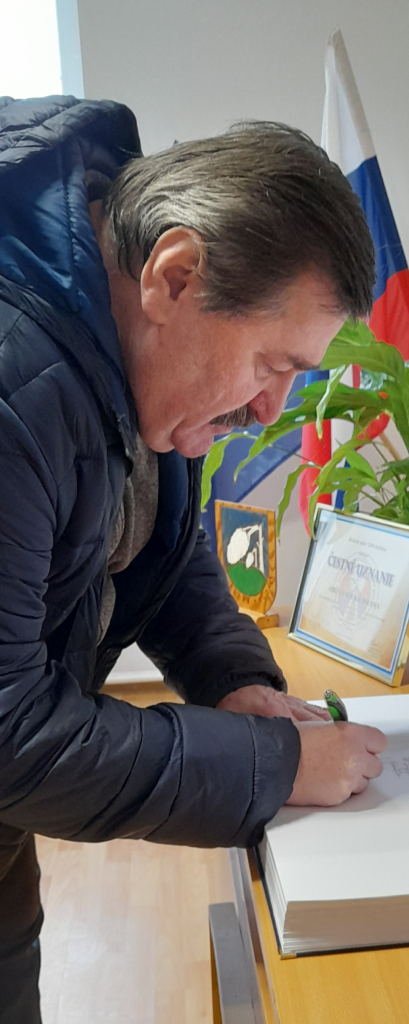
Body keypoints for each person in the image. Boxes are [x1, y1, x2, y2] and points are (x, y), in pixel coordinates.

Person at [0, 96, 387, 1023]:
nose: (271, 410)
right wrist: (271, 765)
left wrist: (234, 681)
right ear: (175, 276)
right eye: (272, 363)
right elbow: (8, 737)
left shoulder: (133, 355)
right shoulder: (15, 386)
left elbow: (160, 548)